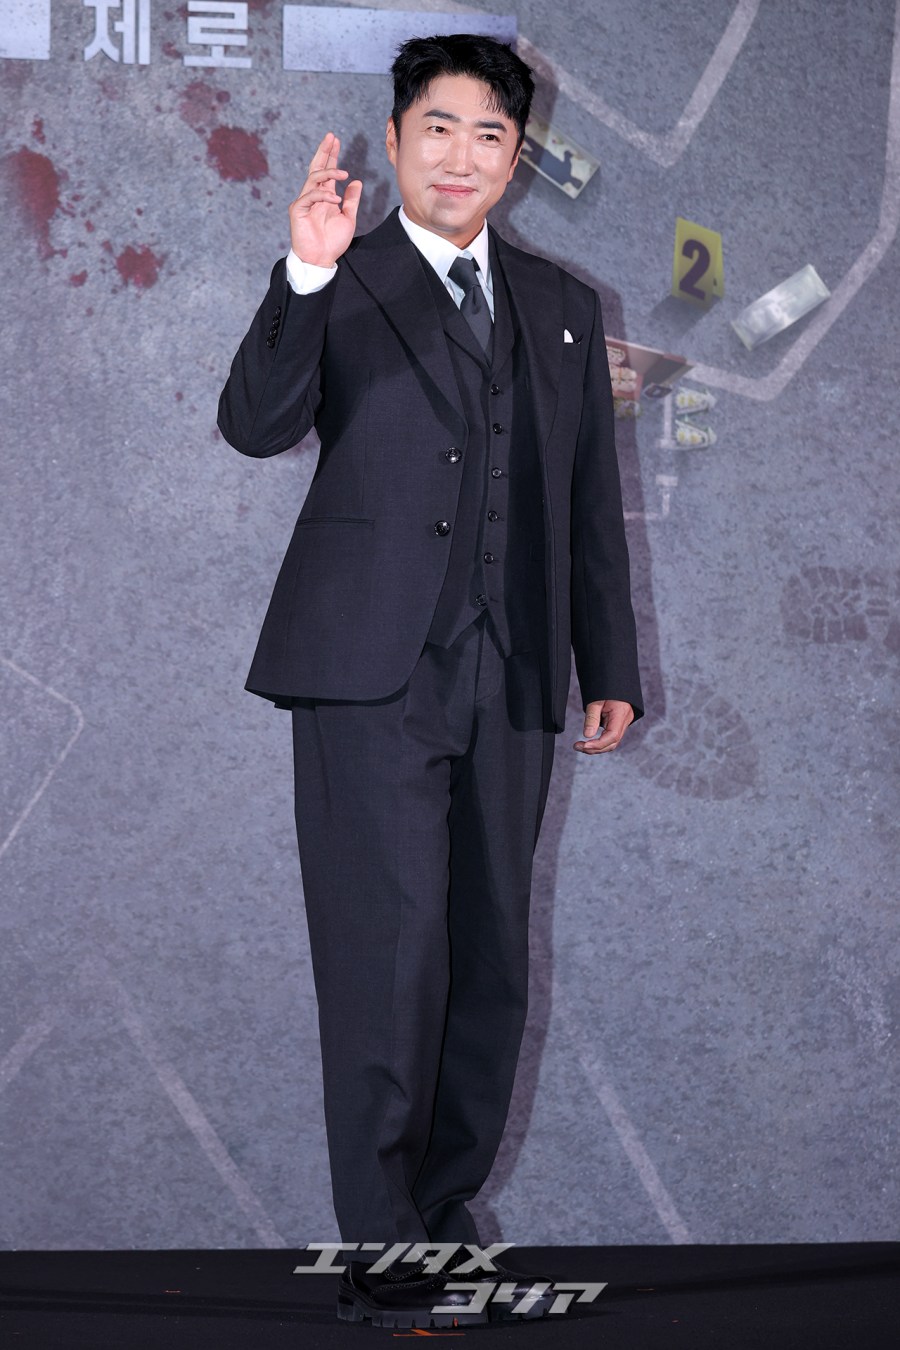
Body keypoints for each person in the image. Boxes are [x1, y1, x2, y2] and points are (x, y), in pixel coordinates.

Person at [218, 33, 643, 1329]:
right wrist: (303, 270)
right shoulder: (340, 274)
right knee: (384, 961)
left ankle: (444, 1224)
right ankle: (384, 1248)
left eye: (489, 135)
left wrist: (609, 661)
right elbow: (255, 424)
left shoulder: (563, 303)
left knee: (489, 962)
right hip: (366, 674)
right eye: (438, 129)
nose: (461, 156)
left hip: (513, 671)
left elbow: (587, 497)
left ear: (518, 158)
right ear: (397, 140)